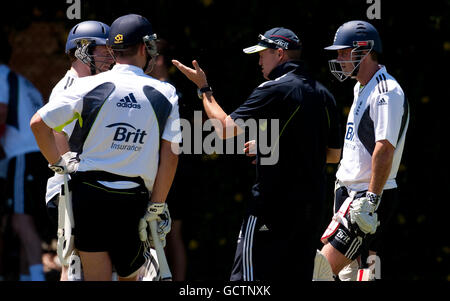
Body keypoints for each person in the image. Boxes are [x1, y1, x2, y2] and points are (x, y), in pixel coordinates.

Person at [173, 27, 342, 281]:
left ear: (280, 54)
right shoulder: (324, 93)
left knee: (247, 282)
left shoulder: (274, 87)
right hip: (311, 208)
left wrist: (204, 88)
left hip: (272, 206)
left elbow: (224, 128)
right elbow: (331, 155)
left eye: (263, 54)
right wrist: (270, 145)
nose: (259, 60)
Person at [30, 13, 181, 281]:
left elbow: (39, 123)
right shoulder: (165, 92)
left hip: (87, 194)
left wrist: (59, 164)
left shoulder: (87, 85)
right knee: (125, 275)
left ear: (114, 49)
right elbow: (170, 155)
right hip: (131, 197)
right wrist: (157, 204)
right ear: (144, 47)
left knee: (88, 273)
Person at [314, 20, 409, 281]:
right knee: (357, 277)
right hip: (351, 195)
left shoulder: (386, 90)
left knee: (320, 273)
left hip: (365, 199)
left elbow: (384, 149)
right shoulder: (361, 87)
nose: (339, 58)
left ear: (365, 51)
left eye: (345, 52)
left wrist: (371, 201)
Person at [45, 20, 113, 281]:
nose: (110, 57)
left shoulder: (94, 84)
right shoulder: (70, 87)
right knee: (74, 265)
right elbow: (55, 130)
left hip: (86, 187)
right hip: (71, 190)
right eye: (104, 51)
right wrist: (70, 170)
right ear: (83, 50)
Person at [0, 36, 51, 281]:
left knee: (21, 220)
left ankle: (37, 276)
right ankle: (26, 275)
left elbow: (1, 112)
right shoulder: (23, 81)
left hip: (21, 155)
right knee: (22, 219)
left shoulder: (0, 75)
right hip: (38, 154)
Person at [149, 39, 187, 281]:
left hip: (176, 171)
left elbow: (197, 125)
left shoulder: (171, 93)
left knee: (171, 233)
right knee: (153, 232)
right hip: (154, 169)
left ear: (159, 59)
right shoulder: (152, 91)